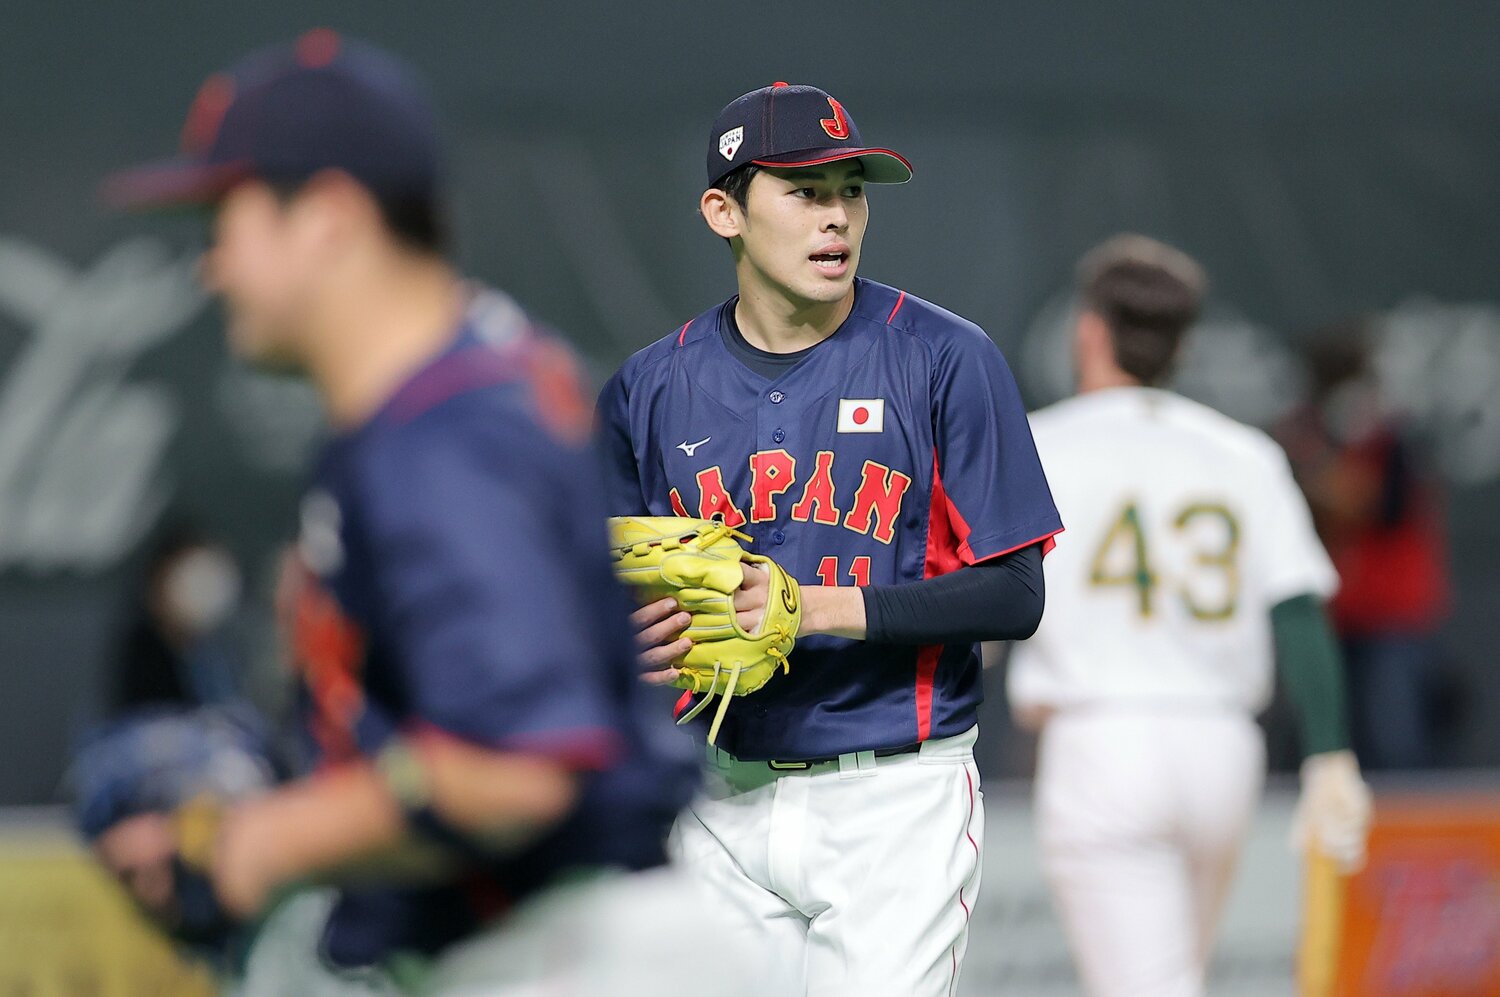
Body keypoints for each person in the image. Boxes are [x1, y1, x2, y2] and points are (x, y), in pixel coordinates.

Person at [98, 30, 730, 996]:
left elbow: (514, 767)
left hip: (566, 954)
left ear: (328, 216)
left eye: (226, 220)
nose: (211, 266)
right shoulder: (466, 377)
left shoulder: (441, 434)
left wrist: (275, 837)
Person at [597, 82, 1063, 996]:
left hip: (893, 794)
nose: (837, 216)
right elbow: (589, 586)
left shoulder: (943, 356)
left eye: (851, 189)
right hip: (717, 795)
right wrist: (623, 646)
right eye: (804, 191)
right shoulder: (651, 386)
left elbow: (1016, 594)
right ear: (723, 210)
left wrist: (812, 608)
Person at [1007, 234, 1373, 997]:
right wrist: (1330, 754)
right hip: (1220, 745)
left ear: (1089, 329)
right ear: (1182, 346)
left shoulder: (1034, 444)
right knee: (1175, 974)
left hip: (1099, 738)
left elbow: (970, 607)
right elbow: (1298, 610)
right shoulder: (1242, 452)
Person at [1276, 322, 1451, 770]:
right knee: (1326, 744)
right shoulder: (1314, 435)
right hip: (1333, 614)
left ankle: (1408, 840)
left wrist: (1317, 465)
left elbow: (1375, 505)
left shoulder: (1393, 442)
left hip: (1391, 615)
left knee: (1392, 740)